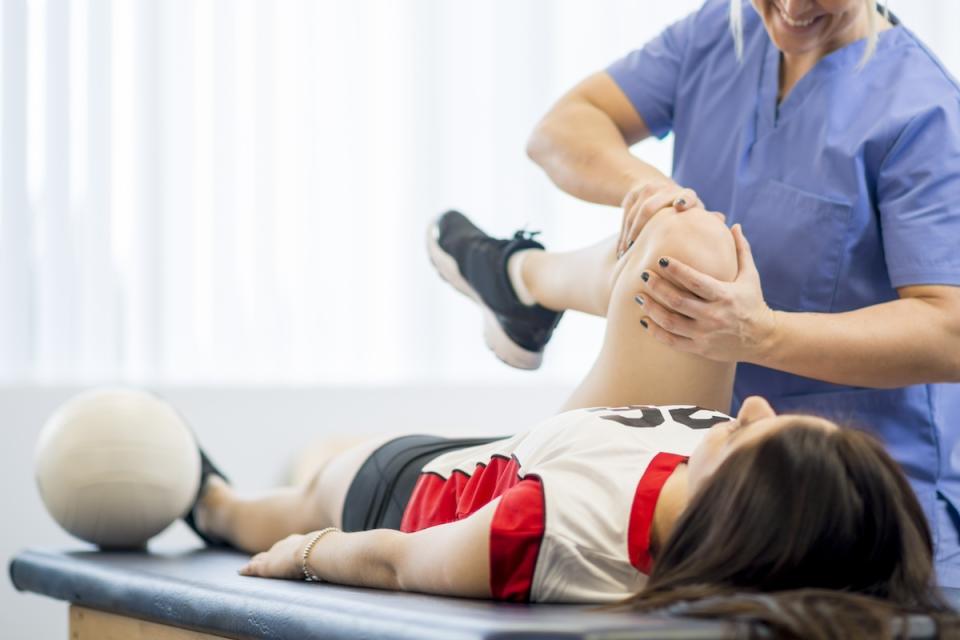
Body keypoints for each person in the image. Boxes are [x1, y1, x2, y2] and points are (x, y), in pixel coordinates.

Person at [187, 209, 954, 637]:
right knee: (694, 241)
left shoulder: (549, 532)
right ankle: (520, 284)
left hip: (408, 492)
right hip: (543, 450)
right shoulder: (706, 474)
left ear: (743, 509)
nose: (756, 404)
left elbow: (394, 561)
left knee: (293, 493)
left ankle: (226, 499)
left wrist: (307, 551)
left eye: (757, 434)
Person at [481, 0, 960, 587]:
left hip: (852, 511)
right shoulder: (720, 31)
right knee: (676, 246)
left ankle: (523, 277)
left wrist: (763, 335)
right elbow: (560, 130)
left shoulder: (922, 109)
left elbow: (950, 332)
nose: (790, 7)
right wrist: (653, 194)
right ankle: (524, 279)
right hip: (718, 490)